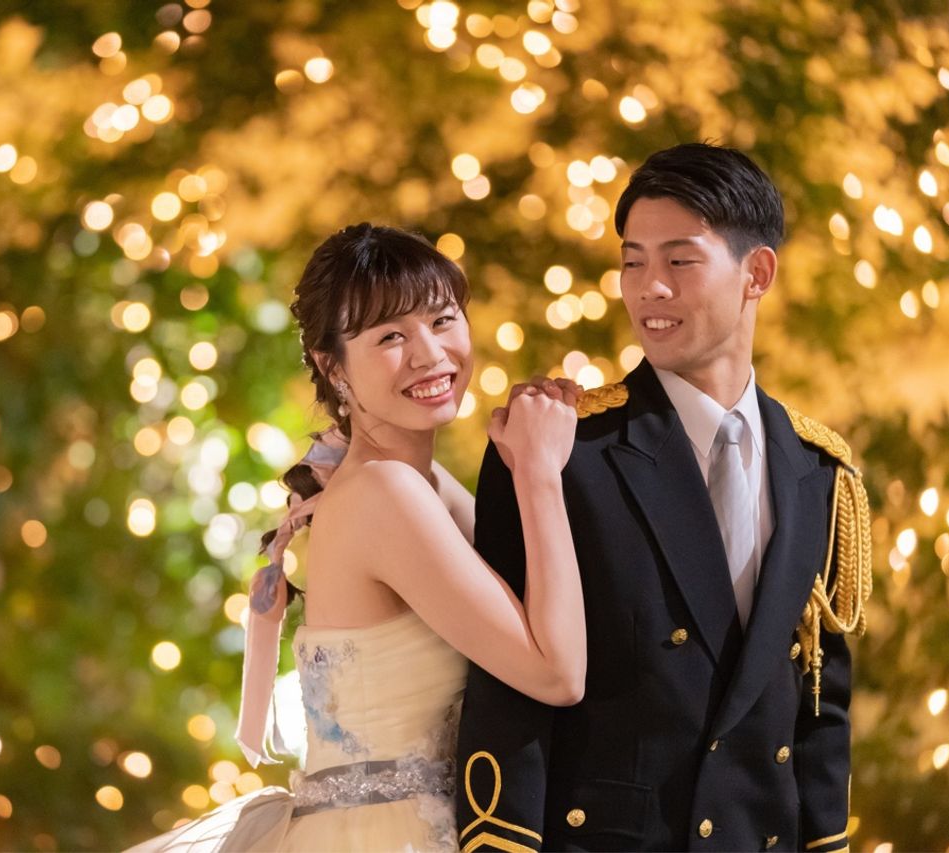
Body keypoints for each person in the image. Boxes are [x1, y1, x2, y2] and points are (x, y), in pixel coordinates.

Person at [130, 223, 601, 852]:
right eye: (390, 337)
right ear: (334, 367)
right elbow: (557, 673)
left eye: (442, 320)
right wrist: (539, 474)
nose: (430, 354)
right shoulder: (385, 491)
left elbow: (535, 608)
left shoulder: (423, 482)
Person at [456, 143, 871, 851]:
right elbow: (505, 692)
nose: (649, 287)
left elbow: (819, 700)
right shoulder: (561, 450)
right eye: (632, 262)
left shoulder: (819, 471)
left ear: (757, 273)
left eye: (680, 261)